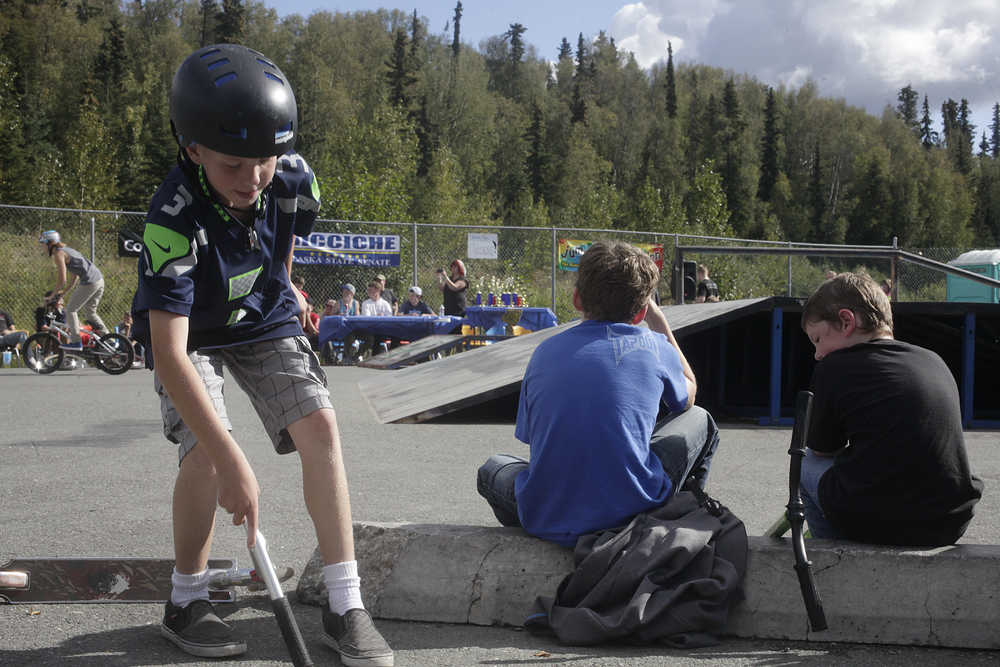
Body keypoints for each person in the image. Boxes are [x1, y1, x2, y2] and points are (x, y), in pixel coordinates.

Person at [129, 44, 392, 666]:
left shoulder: (292, 177)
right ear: (193, 150)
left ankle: (344, 601)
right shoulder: (172, 217)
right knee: (204, 453)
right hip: (191, 334)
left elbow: (285, 237)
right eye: (231, 166)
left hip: (263, 316)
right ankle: (186, 599)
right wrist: (230, 457)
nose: (251, 180)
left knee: (320, 423)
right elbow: (169, 353)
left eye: (263, 162)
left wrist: (286, 284)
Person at [477, 241, 719, 547]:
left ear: (577, 299)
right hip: (631, 510)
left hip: (547, 514)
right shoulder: (654, 347)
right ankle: (674, 519)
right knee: (701, 419)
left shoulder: (544, 353)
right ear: (641, 311)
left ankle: (550, 525)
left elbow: (532, 439)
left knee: (492, 469)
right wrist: (660, 323)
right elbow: (689, 393)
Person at [798, 272, 983, 546]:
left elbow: (823, 449)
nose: (817, 353)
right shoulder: (933, 359)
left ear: (846, 321)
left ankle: (832, 559)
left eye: (817, 340)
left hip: (882, 523)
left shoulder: (834, 368)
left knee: (804, 462)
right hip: (949, 520)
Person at [38, 230, 108, 349]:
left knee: (71, 309)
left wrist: (52, 295)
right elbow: (74, 276)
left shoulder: (59, 254)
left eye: (43, 243)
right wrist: (63, 293)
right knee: (90, 312)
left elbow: (62, 279)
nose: (42, 247)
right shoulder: (67, 251)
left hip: (90, 281)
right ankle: (108, 339)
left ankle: (76, 342)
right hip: (99, 280)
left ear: (50, 243)